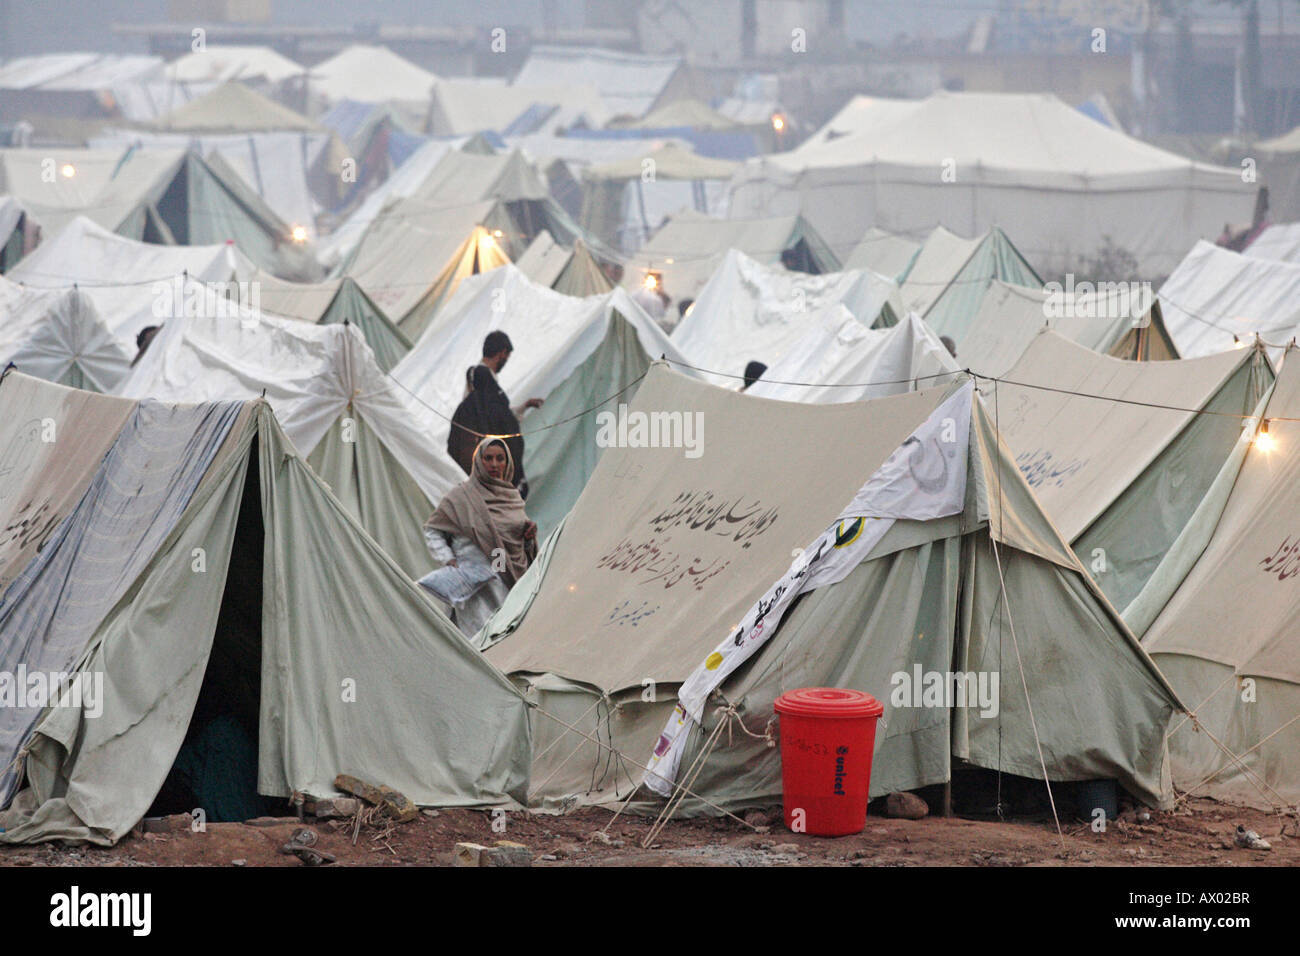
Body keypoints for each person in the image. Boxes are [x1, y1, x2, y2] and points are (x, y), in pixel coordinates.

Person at [419, 438, 538, 637]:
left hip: (508, 583)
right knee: (477, 641)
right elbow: (433, 530)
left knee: (504, 638)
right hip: (475, 589)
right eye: (488, 458)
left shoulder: (512, 497)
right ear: (478, 462)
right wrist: (447, 558)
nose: (494, 464)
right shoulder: (461, 496)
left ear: (507, 462)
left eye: (500, 459)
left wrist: (528, 536)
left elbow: (514, 540)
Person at [446, 331, 543, 497]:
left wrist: (524, 406)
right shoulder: (481, 377)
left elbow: (495, 412)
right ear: (502, 353)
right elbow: (495, 417)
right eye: (507, 356)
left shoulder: (483, 382)